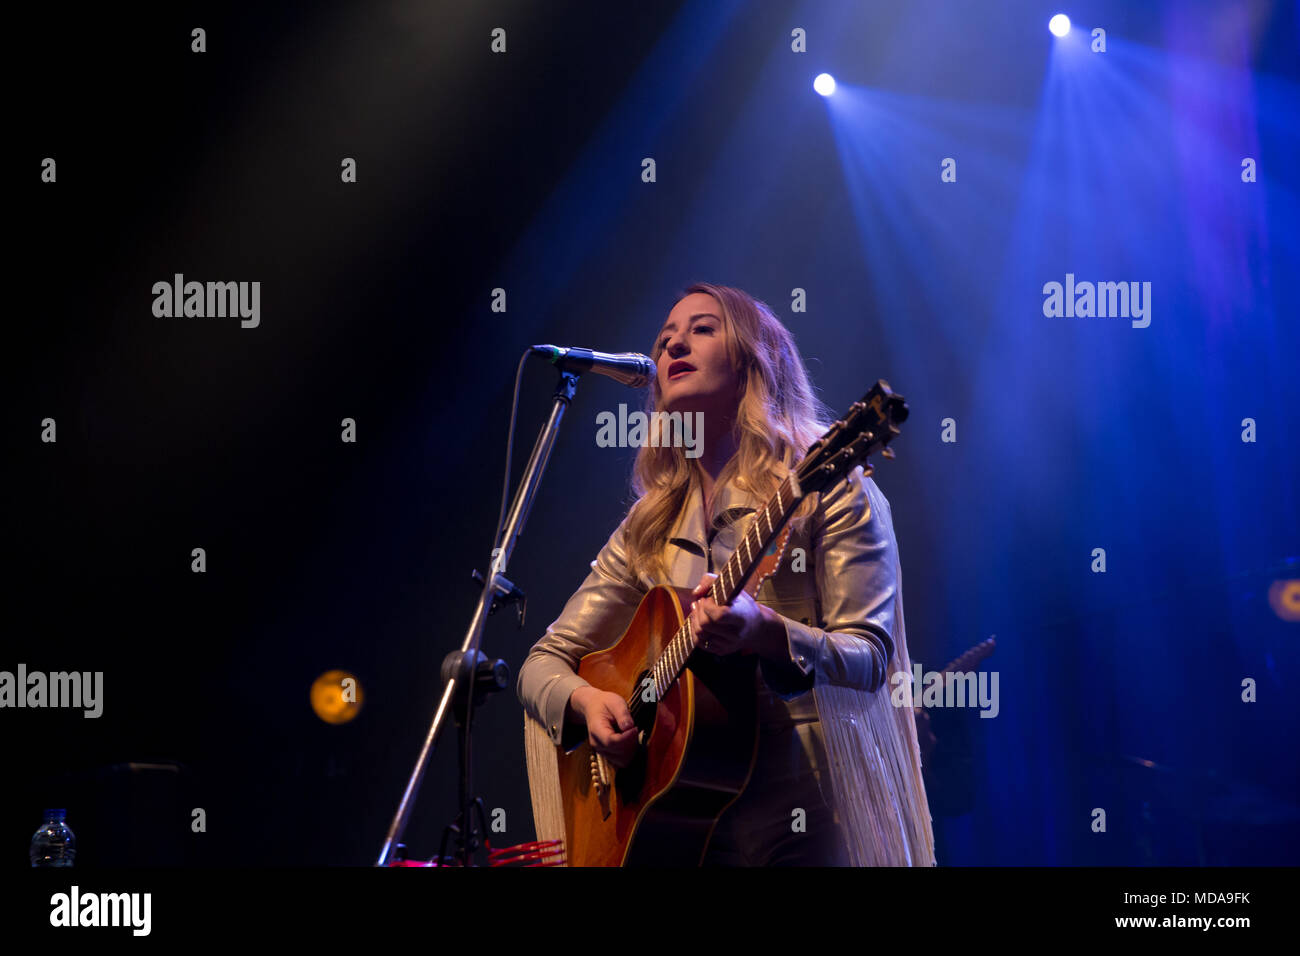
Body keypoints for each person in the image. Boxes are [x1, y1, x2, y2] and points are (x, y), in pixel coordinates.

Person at [517, 282, 935, 866]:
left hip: (810, 810)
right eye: (664, 340)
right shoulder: (649, 526)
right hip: (689, 823)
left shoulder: (826, 485)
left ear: (754, 361)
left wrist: (764, 630)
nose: (673, 345)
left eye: (702, 328)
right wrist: (587, 702)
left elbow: (870, 656)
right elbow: (541, 663)